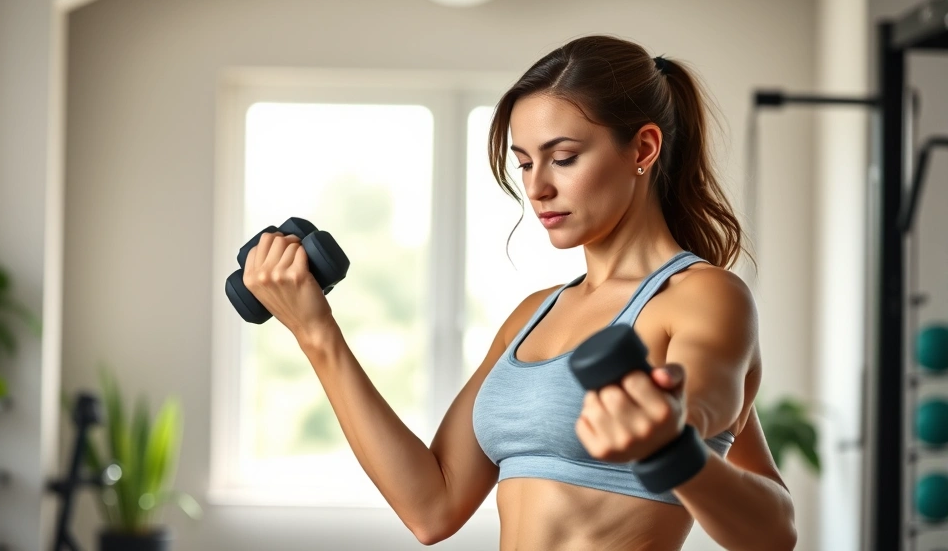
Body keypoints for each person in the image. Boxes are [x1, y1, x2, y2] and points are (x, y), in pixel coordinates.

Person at [241, 34, 796, 551]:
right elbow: (431, 507)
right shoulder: (533, 314)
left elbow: (762, 515)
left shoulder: (703, 297)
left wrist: (672, 446)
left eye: (564, 158)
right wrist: (316, 332)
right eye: (525, 163)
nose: (536, 187)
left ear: (643, 149)